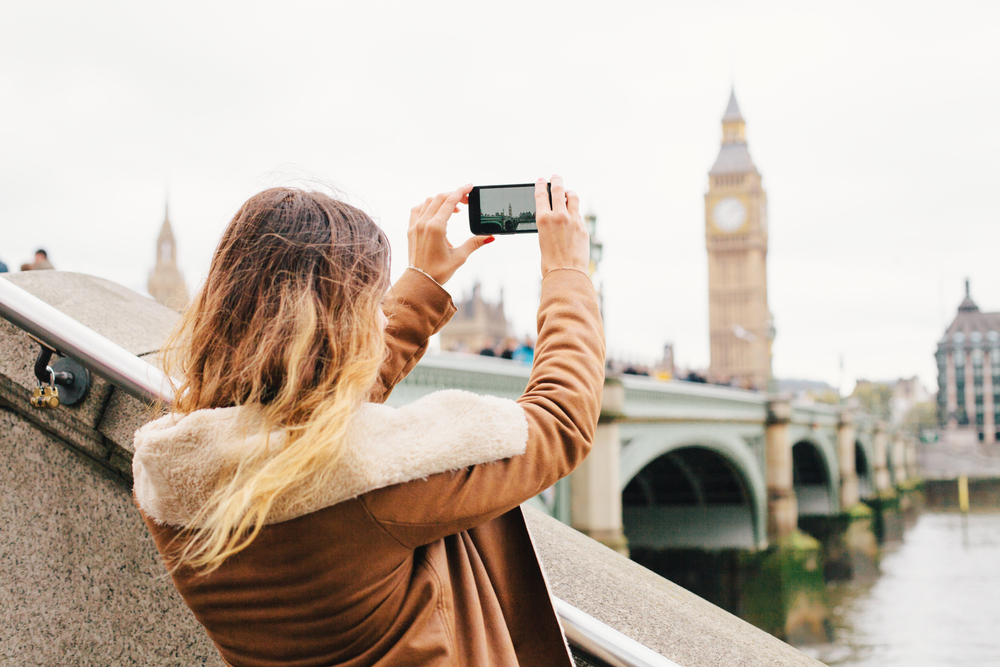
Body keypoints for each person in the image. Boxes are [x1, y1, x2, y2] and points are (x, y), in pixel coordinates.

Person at [132, 176, 604, 666]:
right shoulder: (372, 487)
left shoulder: (173, 486)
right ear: (335, 328)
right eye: (371, 305)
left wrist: (424, 283)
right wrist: (567, 272)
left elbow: (315, 415)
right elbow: (559, 419)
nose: (381, 321)